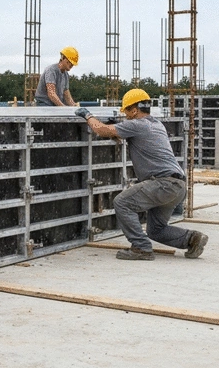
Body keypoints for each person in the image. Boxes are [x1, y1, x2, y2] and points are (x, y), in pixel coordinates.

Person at [75, 88, 208, 261]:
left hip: (163, 184)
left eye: (127, 112)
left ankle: (141, 248)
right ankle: (192, 239)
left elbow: (102, 131)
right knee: (156, 230)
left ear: (135, 109)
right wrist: (115, 128)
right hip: (178, 185)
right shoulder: (155, 124)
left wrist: (87, 115)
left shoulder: (136, 125)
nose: (126, 116)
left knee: (122, 202)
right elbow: (122, 134)